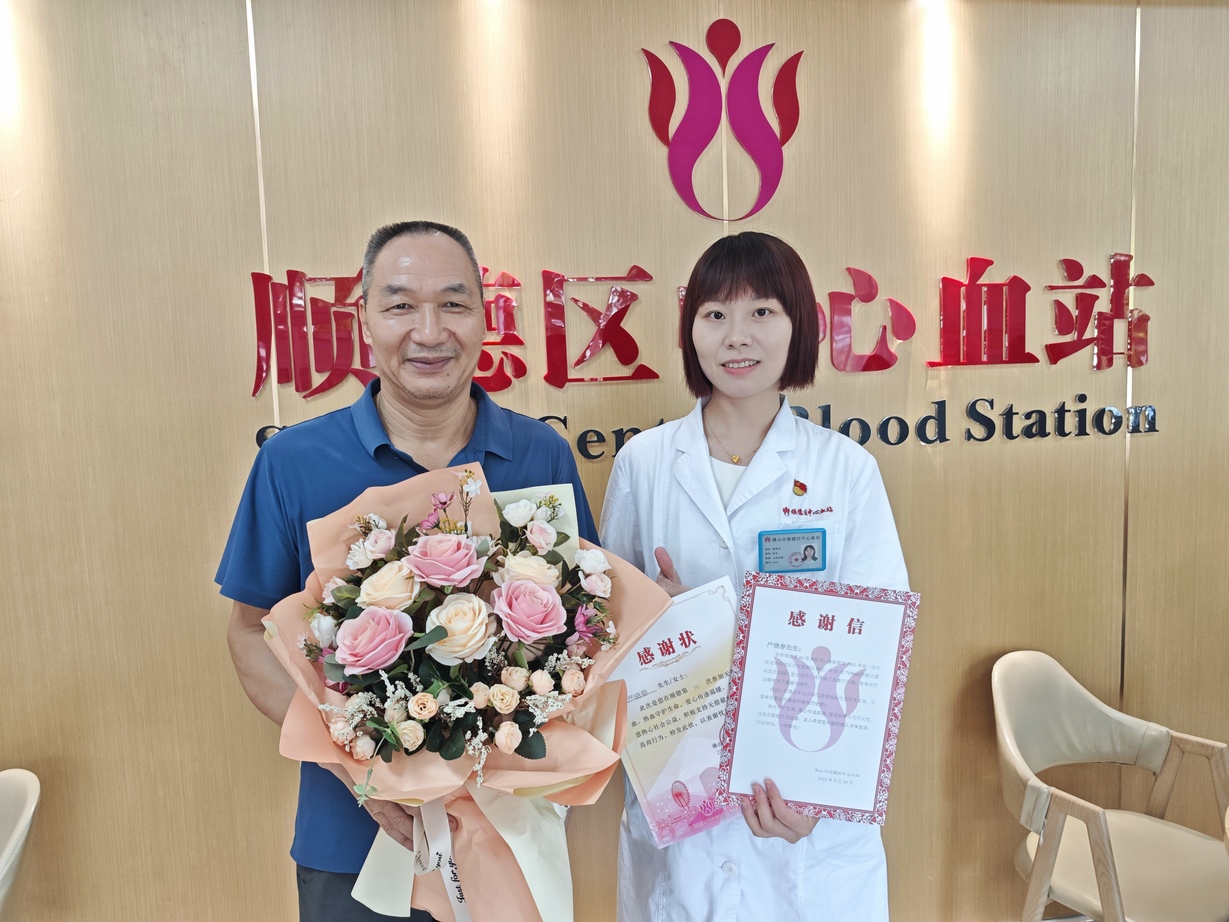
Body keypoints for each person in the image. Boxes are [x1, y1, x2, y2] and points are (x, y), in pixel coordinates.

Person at [216, 221, 598, 922]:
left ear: (485, 318)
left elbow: (582, 631)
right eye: (400, 305)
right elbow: (249, 633)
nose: (429, 331)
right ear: (363, 318)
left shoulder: (539, 453)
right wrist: (357, 768)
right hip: (351, 840)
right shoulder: (294, 462)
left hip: (507, 838)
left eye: (453, 304)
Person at [601, 232, 908, 922]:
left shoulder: (844, 470)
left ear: (798, 326)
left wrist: (819, 798)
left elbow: (875, 652)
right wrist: (659, 619)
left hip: (806, 821)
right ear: (690, 331)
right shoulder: (645, 464)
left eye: (762, 312)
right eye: (715, 314)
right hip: (683, 808)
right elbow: (602, 634)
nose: (736, 336)